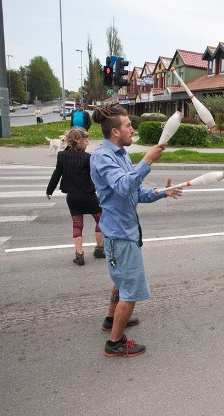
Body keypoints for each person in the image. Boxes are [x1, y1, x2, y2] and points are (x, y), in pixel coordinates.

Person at [90, 103, 183, 357]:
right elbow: (122, 186)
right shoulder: (103, 156)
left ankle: (111, 320)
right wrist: (147, 160)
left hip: (124, 231)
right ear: (115, 132)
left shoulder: (119, 154)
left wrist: (160, 193)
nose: (133, 129)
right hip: (119, 235)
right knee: (131, 290)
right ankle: (115, 342)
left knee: (122, 282)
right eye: (128, 125)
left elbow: (133, 192)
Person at [46, 127, 105, 266]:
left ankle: (79, 255)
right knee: (101, 220)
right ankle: (99, 249)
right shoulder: (88, 158)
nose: (88, 143)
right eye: (86, 140)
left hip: (72, 197)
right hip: (89, 196)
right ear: (78, 142)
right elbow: (96, 176)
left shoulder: (62, 156)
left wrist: (49, 190)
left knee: (77, 225)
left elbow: (56, 174)